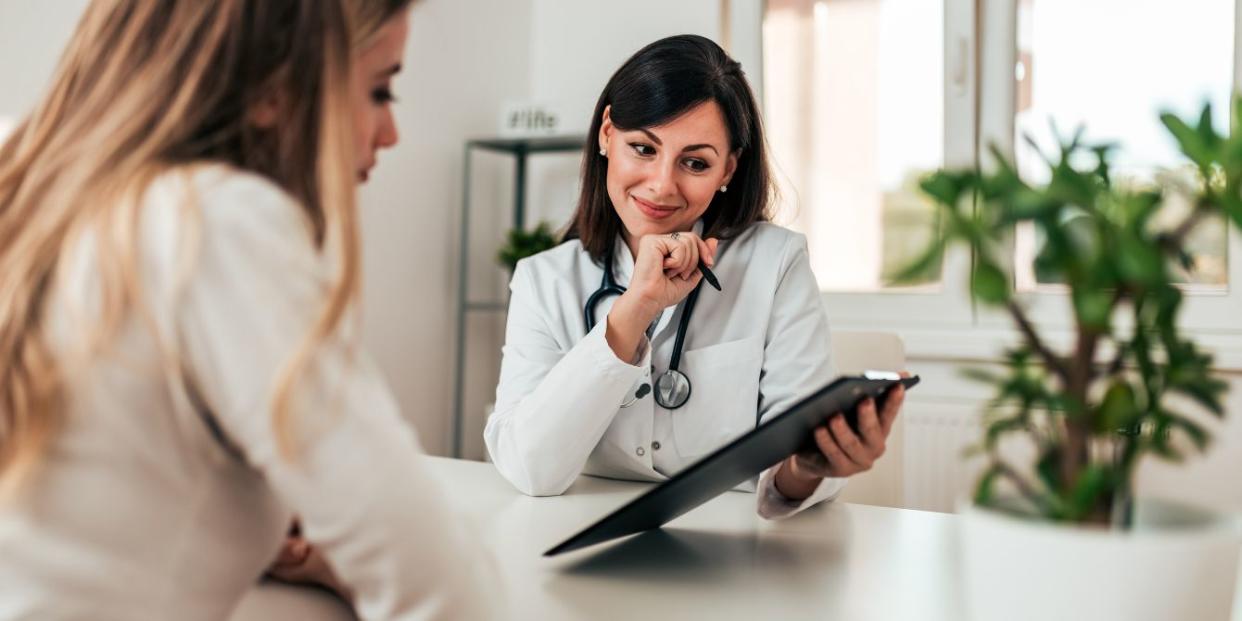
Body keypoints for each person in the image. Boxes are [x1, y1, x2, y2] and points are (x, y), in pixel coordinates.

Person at [0, 1, 489, 619]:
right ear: (272, 92)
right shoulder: (213, 223)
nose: (389, 132)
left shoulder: (23, 179)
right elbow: (436, 579)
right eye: (378, 90)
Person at [485, 34, 906, 518]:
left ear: (729, 167)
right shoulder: (544, 280)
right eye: (643, 148)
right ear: (606, 134)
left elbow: (787, 464)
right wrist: (633, 310)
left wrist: (810, 467)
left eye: (695, 162)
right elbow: (530, 469)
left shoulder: (775, 263)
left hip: (737, 552)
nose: (662, 185)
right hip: (577, 536)